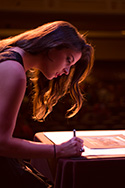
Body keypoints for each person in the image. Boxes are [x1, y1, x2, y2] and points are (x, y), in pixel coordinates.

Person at [0, 21, 94, 187]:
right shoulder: (14, 71)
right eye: (68, 60)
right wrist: (58, 150)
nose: (66, 71)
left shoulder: (11, 58)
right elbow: (1, 143)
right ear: (53, 47)